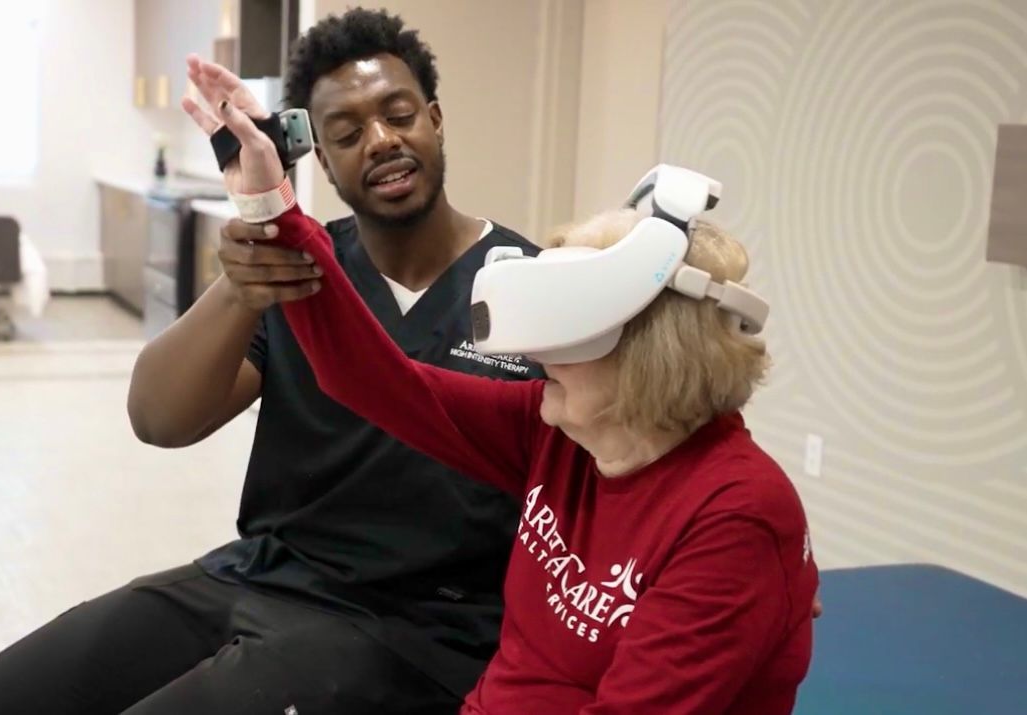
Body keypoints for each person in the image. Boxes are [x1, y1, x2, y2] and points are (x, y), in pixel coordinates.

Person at [181, 55, 819, 714]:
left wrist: (755, 573)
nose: (536, 358)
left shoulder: (731, 517)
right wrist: (269, 204)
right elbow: (369, 380)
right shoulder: (560, 436)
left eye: (565, 336)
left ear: (650, 358)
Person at [0, 9, 545, 715]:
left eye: (398, 114)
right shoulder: (300, 271)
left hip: (416, 625)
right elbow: (159, 418)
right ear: (321, 158)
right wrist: (241, 282)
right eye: (348, 133)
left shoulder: (527, 287)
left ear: (436, 119)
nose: (381, 141)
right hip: (263, 574)